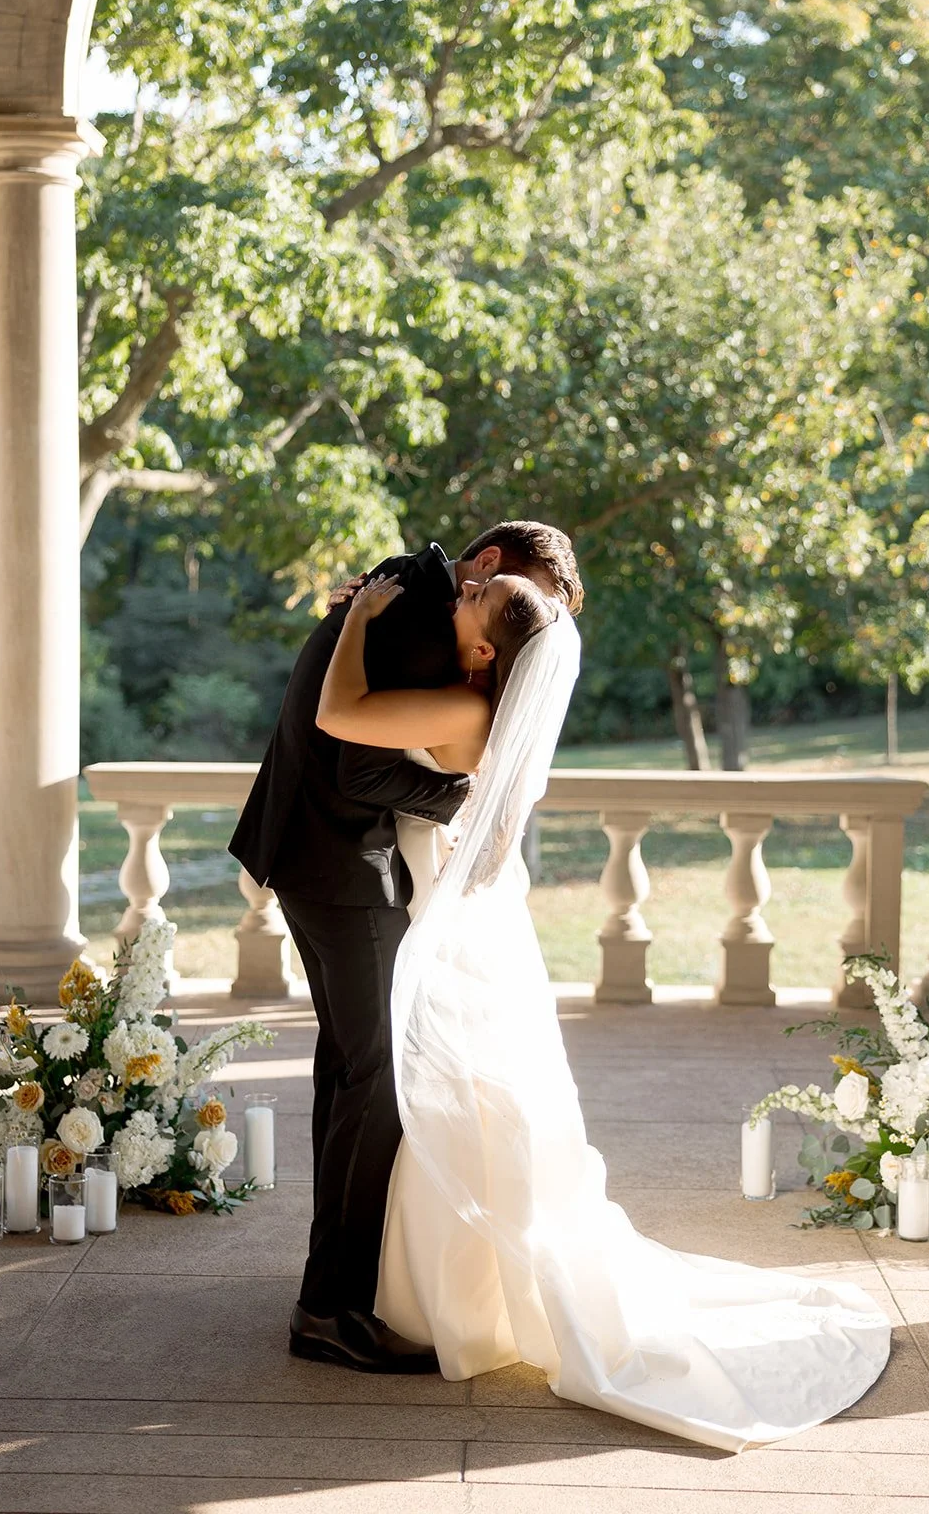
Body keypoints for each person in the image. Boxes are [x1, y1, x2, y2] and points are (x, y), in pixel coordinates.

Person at [319, 578, 892, 1453]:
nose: (462, 588)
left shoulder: (464, 711)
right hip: (463, 900)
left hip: (447, 905)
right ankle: (449, 1289)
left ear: (486, 650)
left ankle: (459, 1299)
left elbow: (338, 715)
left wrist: (357, 619)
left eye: (477, 595)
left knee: (465, 1086)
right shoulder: (487, 707)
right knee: (472, 1085)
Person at [228, 521, 583, 1375]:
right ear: (488, 563)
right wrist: (470, 800)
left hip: (323, 860)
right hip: (341, 869)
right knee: (376, 1074)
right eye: (501, 594)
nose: (484, 607)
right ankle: (330, 1307)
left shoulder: (407, 590)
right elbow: (357, 766)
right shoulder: (415, 619)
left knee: (353, 1067)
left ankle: (333, 1278)